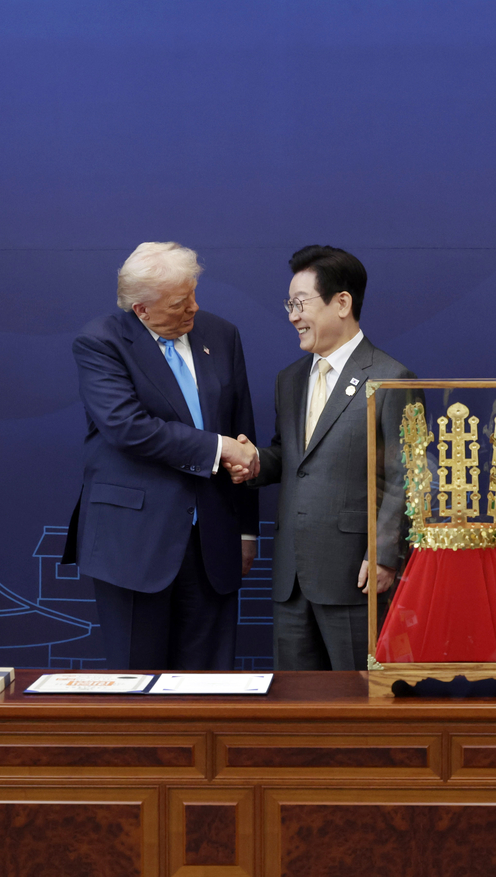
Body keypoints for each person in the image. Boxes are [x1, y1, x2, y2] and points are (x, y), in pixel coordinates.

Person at [65, 242, 260, 670]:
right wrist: (216, 447)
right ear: (142, 310)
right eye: (179, 303)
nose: (193, 308)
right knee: (140, 692)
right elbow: (127, 428)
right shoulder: (100, 343)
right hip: (134, 544)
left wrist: (247, 530)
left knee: (211, 689)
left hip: (212, 542)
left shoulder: (221, 335)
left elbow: (242, 432)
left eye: (192, 293)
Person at [240, 245, 413, 670]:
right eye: (289, 305)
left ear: (342, 303)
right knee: (296, 710)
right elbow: (292, 456)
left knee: (358, 706)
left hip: (355, 576)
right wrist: (256, 461)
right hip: (292, 578)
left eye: (300, 304)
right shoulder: (291, 379)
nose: (291, 316)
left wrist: (385, 554)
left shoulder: (391, 378)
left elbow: (406, 475)